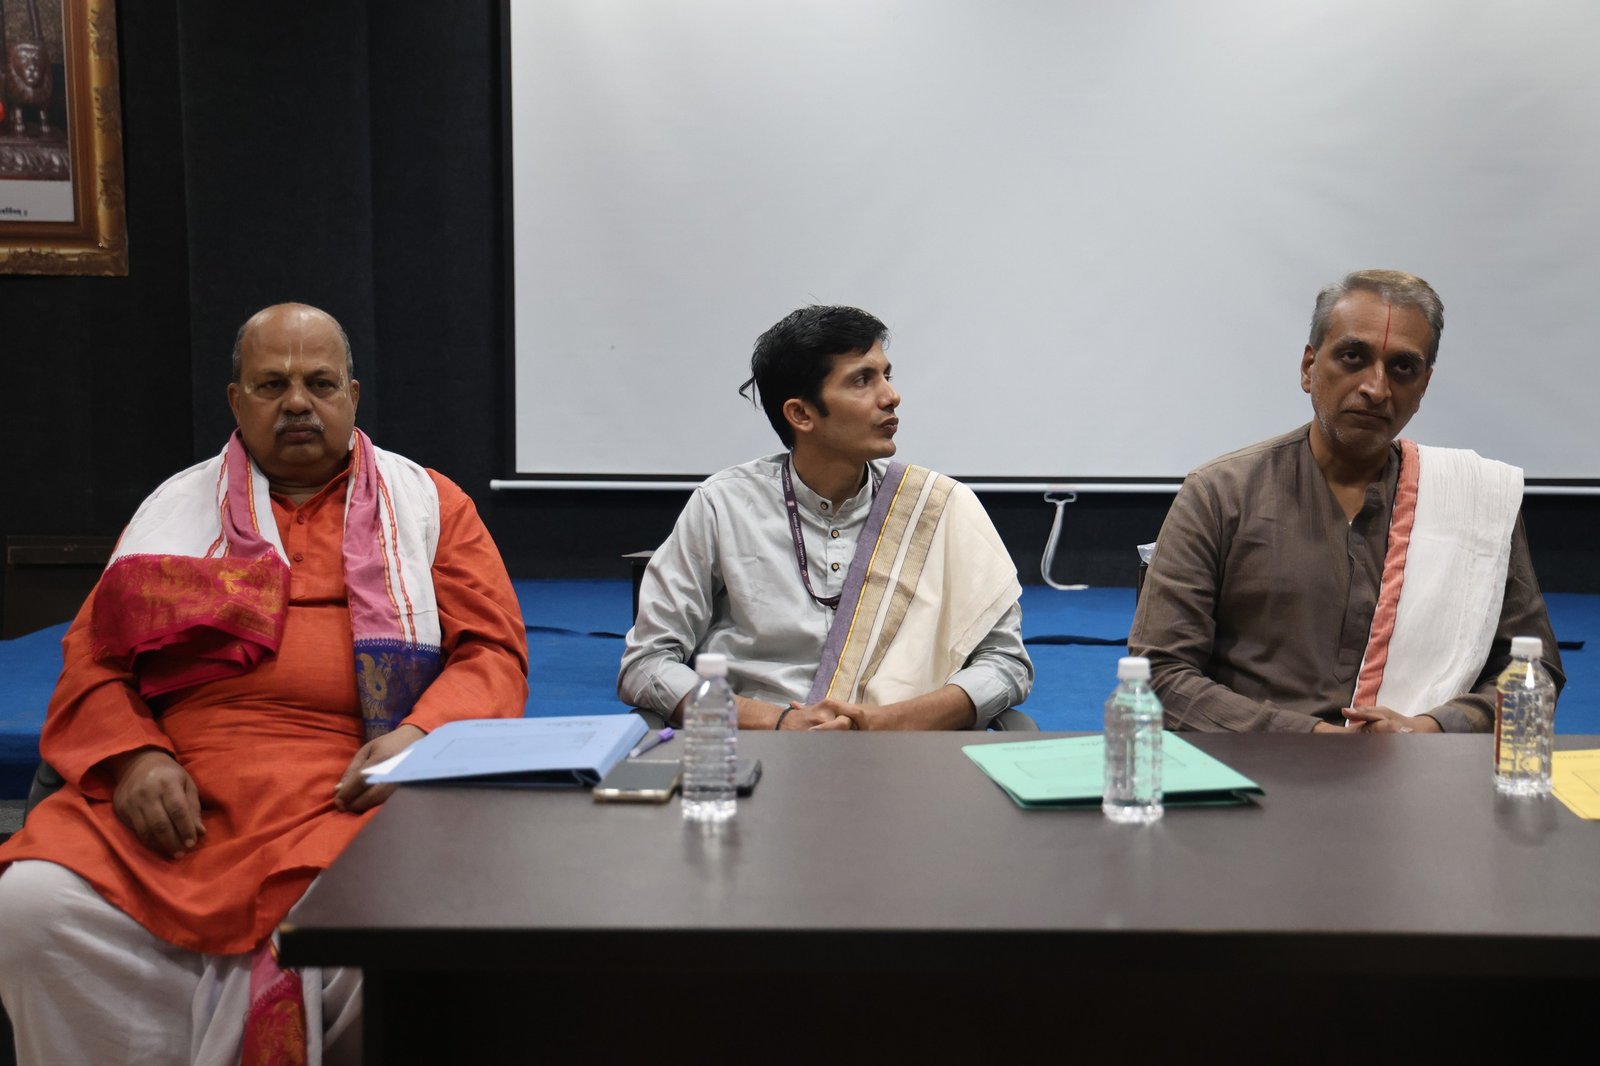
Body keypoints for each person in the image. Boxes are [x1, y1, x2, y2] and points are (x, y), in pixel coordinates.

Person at [0, 303, 529, 1064]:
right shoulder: (174, 511)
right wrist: (134, 759)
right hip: (179, 802)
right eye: (272, 384)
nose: (298, 403)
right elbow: (94, 661)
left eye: (320, 383)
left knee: (386, 931)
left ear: (353, 395)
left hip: (348, 793)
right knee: (32, 909)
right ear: (235, 400)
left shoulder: (430, 505)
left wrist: (418, 737)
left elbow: (493, 654)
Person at [1129, 270, 1562, 734]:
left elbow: (1534, 674)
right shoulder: (1219, 495)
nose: (1376, 388)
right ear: (1308, 367)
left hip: (1418, 767)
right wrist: (1311, 738)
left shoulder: (1472, 500)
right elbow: (1160, 676)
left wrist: (1431, 729)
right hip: (1254, 767)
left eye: (1402, 368)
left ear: (1423, 387)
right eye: (1353, 357)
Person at [619, 305, 1032, 731]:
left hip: (906, 748)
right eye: (862, 380)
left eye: (886, 375)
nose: (890, 396)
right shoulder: (723, 506)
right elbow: (647, 663)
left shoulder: (939, 507)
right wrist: (779, 721)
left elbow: (1005, 663)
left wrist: (888, 721)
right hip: (759, 750)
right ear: (801, 414)